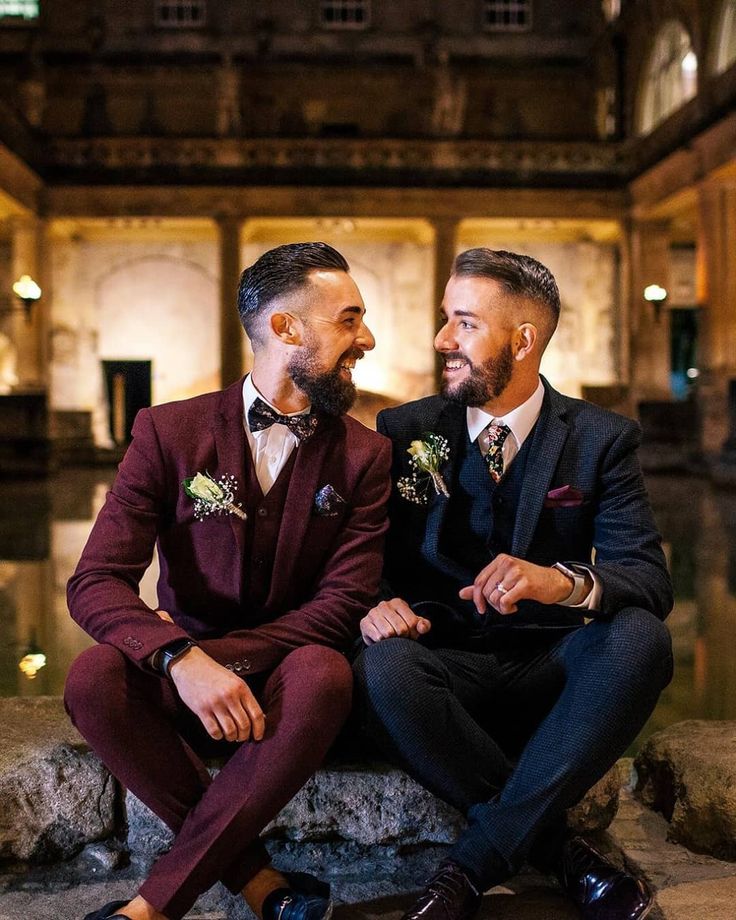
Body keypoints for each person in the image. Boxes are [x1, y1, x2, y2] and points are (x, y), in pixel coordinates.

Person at [65, 242, 391, 920]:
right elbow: (96, 580)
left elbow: (345, 602)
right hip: (177, 676)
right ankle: (261, 884)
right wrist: (179, 657)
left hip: (281, 688)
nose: (367, 338)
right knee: (92, 677)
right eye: (349, 319)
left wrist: (225, 662)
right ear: (285, 328)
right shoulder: (168, 432)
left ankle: (151, 907)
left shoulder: (366, 456)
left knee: (325, 673)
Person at [354, 248, 673, 920]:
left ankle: (467, 869)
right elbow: (363, 561)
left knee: (642, 639)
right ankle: (565, 856)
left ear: (523, 340)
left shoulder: (600, 440)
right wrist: (375, 604)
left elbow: (647, 578)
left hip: (546, 675)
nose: (443, 339)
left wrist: (560, 582)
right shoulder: (404, 430)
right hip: (438, 674)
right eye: (446, 319)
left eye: (464, 323)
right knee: (381, 669)